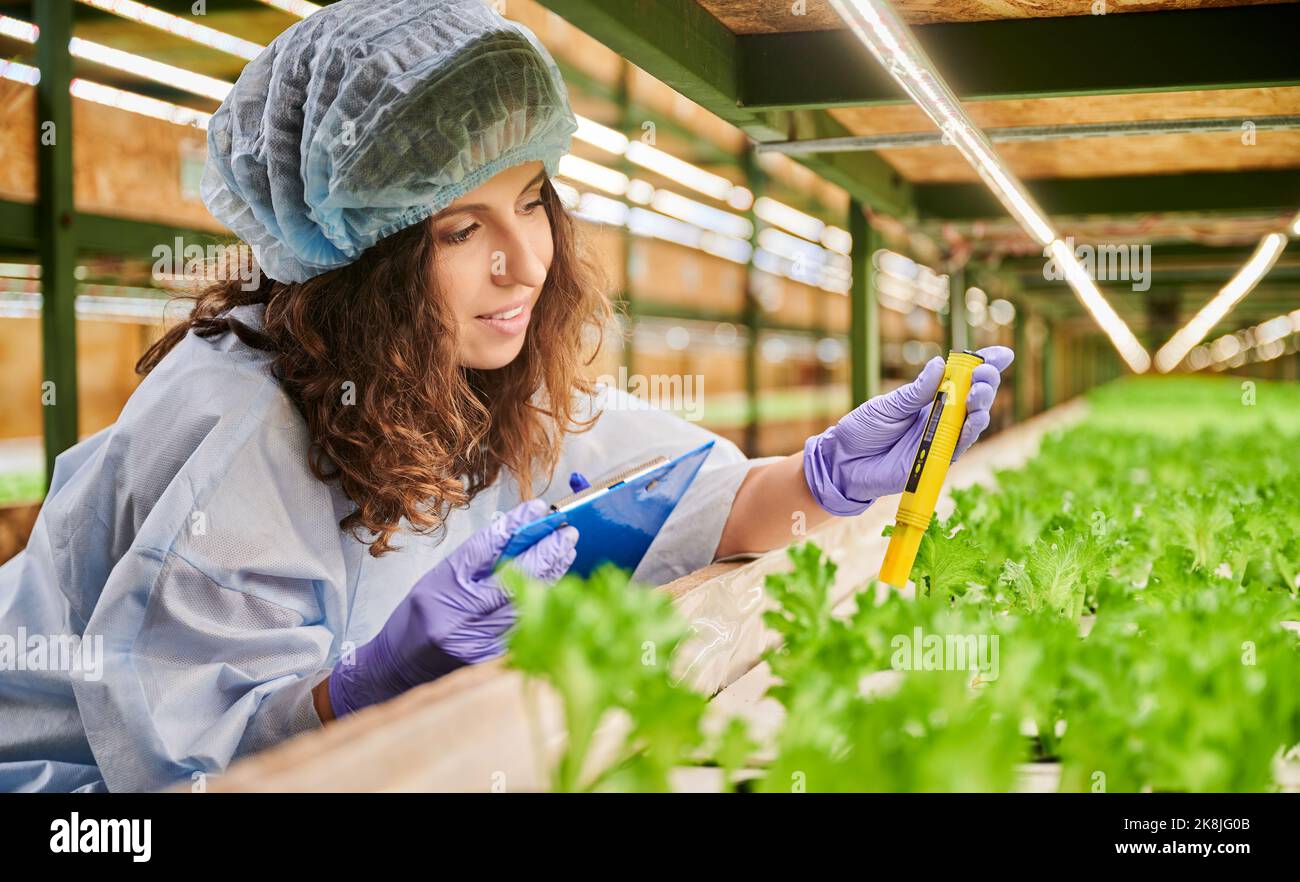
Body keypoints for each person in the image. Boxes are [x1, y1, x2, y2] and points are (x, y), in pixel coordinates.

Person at [0, 0, 1012, 793]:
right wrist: (365, 684)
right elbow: (194, 770)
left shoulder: (474, 376)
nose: (525, 262)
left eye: (532, 202)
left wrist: (827, 475)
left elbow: (683, 498)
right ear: (364, 256)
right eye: (459, 230)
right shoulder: (240, 423)